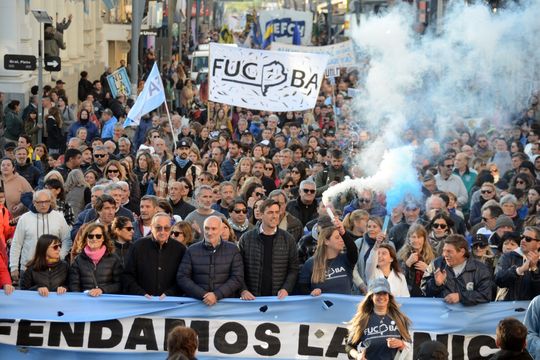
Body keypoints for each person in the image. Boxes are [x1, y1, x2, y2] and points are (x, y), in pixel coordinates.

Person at [238, 198, 299, 300]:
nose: (275, 216)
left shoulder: (288, 239)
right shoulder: (246, 238)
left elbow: (293, 269)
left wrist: (286, 288)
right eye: (270, 212)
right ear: (261, 215)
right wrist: (243, 290)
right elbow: (238, 268)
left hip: (278, 299)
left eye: (276, 212)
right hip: (251, 298)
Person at [177, 216, 244, 305]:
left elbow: (237, 277)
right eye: (207, 228)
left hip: (226, 306)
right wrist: (204, 295)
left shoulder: (233, 249)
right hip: (197, 305)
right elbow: (182, 277)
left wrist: (216, 295)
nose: (209, 232)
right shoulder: (192, 250)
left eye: (214, 229)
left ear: (220, 230)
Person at [9, 190, 71, 284]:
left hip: (53, 268)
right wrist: (13, 266)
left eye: (46, 201)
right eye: (40, 202)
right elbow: (16, 243)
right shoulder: (24, 218)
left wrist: (60, 256)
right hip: (27, 268)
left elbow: (67, 240)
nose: (44, 205)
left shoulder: (59, 217)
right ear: (34, 203)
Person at [345, 277, 412, 360]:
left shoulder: (399, 318)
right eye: (378, 293)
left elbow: (409, 345)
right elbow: (349, 346)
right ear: (371, 296)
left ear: (389, 296)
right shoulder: (362, 319)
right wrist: (357, 356)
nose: (381, 297)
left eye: (384, 293)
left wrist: (401, 344)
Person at [123, 213, 186, 298]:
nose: (162, 231)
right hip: (142, 302)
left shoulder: (180, 249)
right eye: (158, 228)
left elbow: (184, 277)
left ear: (171, 229)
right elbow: (127, 275)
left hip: (170, 303)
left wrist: (169, 293)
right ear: (151, 227)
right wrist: (141, 294)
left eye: (166, 228)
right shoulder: (137, 246)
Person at [422, 234, 493, 305]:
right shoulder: (436, 264)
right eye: (444, 251)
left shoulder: (480, 269)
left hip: (469, 315)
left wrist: (461, 297)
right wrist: (436, 284)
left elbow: (485, 295)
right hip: (442, 315)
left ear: (462, 252)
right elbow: (423, 291)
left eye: (449, 251)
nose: (444, 254)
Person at [298, 218, 358, 295]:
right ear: (326, 241)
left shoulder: (345, 259)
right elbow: (303, 287)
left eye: (341, 237)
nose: (341, 240)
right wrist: (311, 293)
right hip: (321, 306)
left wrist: (343, 233)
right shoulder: (310, 263)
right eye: (337, 238)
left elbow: (353, 250)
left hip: (344, 305)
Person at [69, 223, 123, 296]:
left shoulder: (114, 258)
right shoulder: (78, 260)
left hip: (107, 302)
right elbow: (74, 285)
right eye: (90, 236)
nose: (94, 239)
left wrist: (102, 290)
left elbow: (120, 284)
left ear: (103, 238)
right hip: (86, 302)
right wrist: (81, 299)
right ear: (86, 238)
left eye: (98, 236)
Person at [495, 226, 540, 301]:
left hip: (533, 308)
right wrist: (519, 270)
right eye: (522, 237)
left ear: (538, 244)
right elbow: (498, 280)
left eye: (528, 239)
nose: (523, 240)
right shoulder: (508, 256)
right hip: (510, 307)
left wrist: (534, 269)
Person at [397, 224, 435, 297]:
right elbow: (396, 279)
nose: (416, 240)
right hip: (407, 295)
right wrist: (407, 264)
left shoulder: (432, 256)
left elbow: (437, 280)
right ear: (409, 239)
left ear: (424, 239)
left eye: (419, 237)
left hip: (426, 296)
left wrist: (428, 270)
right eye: (413, 237)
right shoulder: (401, 256)